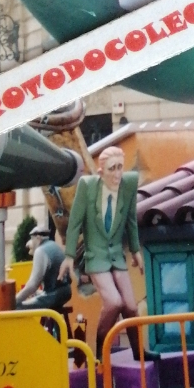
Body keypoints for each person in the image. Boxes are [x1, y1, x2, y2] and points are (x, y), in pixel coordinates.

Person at [62, 145, 142, 360]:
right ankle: (99, 350)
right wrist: (69, 256)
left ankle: (139, 352)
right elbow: (74, 224)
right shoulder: (88, 187)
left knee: (131, 306)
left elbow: (131, 220)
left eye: (120, 167)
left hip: (116, 254)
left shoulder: (128, 184)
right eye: (112, 169)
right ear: (101, 171)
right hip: (95, 256)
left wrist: (135, 250)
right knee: (114, 302)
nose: (117, 174)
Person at [15, 221, 70, 311]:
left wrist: (15, 299)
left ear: (38, 238)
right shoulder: (54, 245)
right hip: (65, 293)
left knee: (17, 307)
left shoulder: (40, 251)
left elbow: (33, 285)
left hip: (54, 295)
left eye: (32, 239)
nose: (29, 242)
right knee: (36, 295)